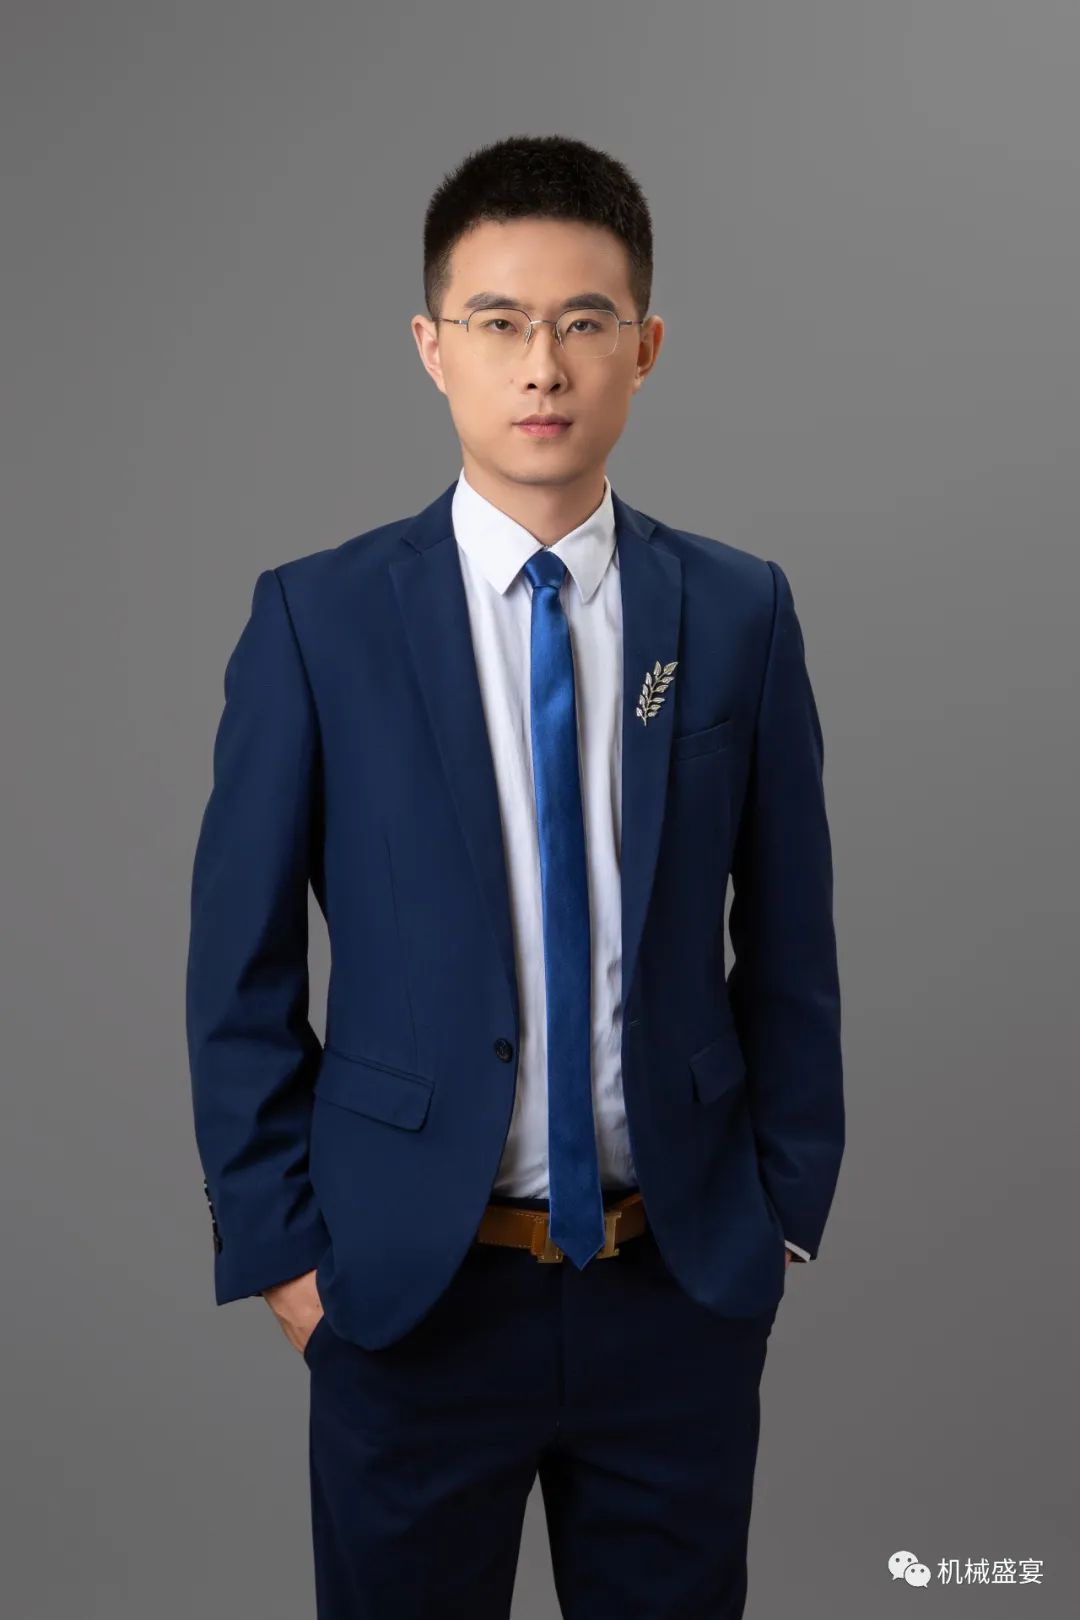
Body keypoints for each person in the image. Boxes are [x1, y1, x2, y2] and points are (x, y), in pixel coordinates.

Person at [186, 131, 844, 1620]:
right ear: (433, 348)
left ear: (644, 349)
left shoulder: (738, 612)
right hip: (408, 1295)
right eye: (498, 322)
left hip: (674, 1281)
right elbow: (238, 970)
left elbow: (791, 942)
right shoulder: (318, 622)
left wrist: (780, 1209)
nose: (542, 365)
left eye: (583, 321)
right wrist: (288, 1261)